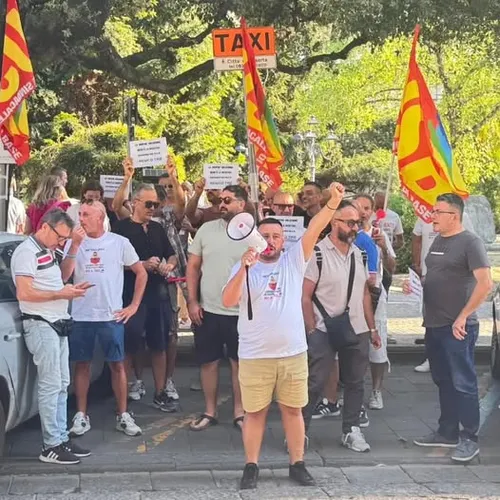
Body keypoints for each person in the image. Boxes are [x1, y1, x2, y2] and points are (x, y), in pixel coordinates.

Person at [222, 183, 345, 490]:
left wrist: (333, 202)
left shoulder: (294, 259)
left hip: (292, 353)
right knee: (254, 413)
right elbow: (228, 300)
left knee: (293, 411)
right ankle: (251, 466)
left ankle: (297, 464)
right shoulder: (242, 266)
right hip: (255, 356)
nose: (271, 241)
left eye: (276, 236)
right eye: (265, 236)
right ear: (256, 238)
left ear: (283, 239)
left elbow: (315, 228)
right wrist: (244, 269)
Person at [407, 194, 492, 463]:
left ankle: (470, 439)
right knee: (443, 380)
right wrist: (416, 285)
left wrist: (463, 316)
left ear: (453, 216)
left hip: (458, 327)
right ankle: (447, 432)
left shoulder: (470, 243)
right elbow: (437, 276)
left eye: (437, 212)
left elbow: (485, 284)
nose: (432, 216)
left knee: (463, 383)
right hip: (434, 324)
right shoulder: (438, 240)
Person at [11, 209, 92, 464]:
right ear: (45, 226)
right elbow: (24, 293)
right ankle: (51, 445)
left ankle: (60, 438)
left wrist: (73, 247)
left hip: (56, 322)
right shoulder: (26, 252)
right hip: (40, 323)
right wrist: (61, 294)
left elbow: (62, 277)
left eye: (64, 239)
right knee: (50, 385)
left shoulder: (47, 250)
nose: (61, 242)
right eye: (60, 237)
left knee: (61, 383)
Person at [61, 201, 147, 437]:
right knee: (82, 364)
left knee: (117, 364)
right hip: (81, 314)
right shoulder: (73, 242)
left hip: (111, 315)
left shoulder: (119, 242)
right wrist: (75, 245)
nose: (81, 219)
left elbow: (141, 272)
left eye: (86, 215)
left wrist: (133, 306)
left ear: (100, 217)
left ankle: (123, 414)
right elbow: (65, 275)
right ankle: (81, 414)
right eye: (80, 214)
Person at [302, 200, 381, 453]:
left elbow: (365, 294)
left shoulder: (359, 254)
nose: (355, 227)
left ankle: (351, 430)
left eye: (358, 222)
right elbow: (305, 296)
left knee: (355, 382)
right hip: (323, 329)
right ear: (334, 223)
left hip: (356, 328)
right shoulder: (317, 254)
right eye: (350, 222)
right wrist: (311, 329)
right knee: (315, 382)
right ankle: (299, 431)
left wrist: (372, 328)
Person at [186, 185, 249, 431]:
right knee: (208, 362)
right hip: (208, 310)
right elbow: (192, 268)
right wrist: (192, 301)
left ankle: (239, 413)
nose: (222, 204)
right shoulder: (206, 229)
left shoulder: (253, 233)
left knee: (239, 364)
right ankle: (209, 411)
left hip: (241, 313)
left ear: (242, 204)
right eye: (220, 200)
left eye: (228, 200)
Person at [113, 181, 178, 411]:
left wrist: (168, 266)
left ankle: (160, 392)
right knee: (129, 345)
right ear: (135, 203)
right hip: (130, 295)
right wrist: (140, 265)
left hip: (157, 293)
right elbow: (113, 262)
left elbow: (172, 254)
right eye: (149, 204)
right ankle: (124, 398)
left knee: (159, 344)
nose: (153, 209)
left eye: (156, 204)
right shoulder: (121, 229)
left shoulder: (158, 228)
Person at [412, 212, 475, 373]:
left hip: (454, 278)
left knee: (453, 317)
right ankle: (431, 358)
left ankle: (453, 359)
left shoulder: (461, 215)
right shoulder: (424, 215)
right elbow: (416, 238)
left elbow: (471, 242)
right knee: (430, 318)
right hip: (429, 275)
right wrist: (417, 264)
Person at [354, 194, 396, 411]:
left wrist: (384, 248)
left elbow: (392, 268)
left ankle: (376, 391)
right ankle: (353, 391)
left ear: (372, 211)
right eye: (357, 207)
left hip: (374, 296)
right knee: (352, 347)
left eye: (366, 208)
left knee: (376, 346)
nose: (362, 212)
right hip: (349, 297)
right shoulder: (346, 233)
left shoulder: (379, 234)